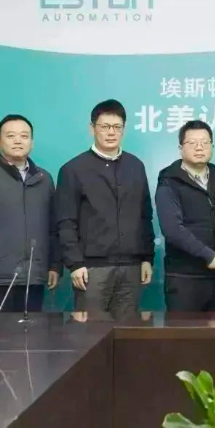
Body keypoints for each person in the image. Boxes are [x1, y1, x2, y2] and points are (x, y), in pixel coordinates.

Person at [56, 100, 154, 321]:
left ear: (124, 129)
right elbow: (66, 221)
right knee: (90, 333)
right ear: (92, 128)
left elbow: (144, 215)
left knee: (127, 332)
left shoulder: (135, 166)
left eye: (117, 127)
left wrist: (147, 258)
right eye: (105, 126)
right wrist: (75, 264)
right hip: (91, 270)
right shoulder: (73, 169)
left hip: (131, 268)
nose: (111, 132)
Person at [0, 114, 61, 313]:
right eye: (11, 136)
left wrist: (55, 265)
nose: (18, 141)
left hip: (34, 277)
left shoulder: (44, 179)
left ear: (32, 143)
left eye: (24, 136)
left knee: (32, 331)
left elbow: (53, 228)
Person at [155, 120, 215, 312]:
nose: (199, 147)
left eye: (205, 142)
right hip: (184, 279)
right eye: (192, 143)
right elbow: (172, 230)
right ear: (180, 148)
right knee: (184, 332)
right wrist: (208, 255)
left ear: (212, 146)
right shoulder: (169, 181)